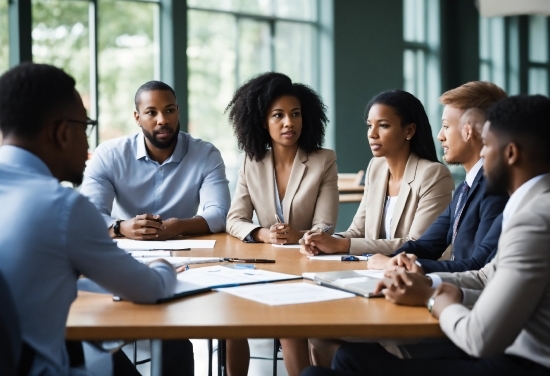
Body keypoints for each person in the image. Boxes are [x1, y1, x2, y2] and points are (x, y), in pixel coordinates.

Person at [302, 94, 550, 376]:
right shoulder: (530, 207)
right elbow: (486, 276)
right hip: (503, 348)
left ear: (511, 153)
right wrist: (429, 285)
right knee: (348, 358)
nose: (482, 153)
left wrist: (434, 300)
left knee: (320, 371)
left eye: (488, 144)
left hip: (520, 363)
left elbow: (479, 339)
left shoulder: (534, 219)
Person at [0, 63, 177, 375]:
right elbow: (151, 289)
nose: (87, 145)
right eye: (86, 127)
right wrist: (162, 263)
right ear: (61, 132)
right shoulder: (63, 208)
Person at [224, 72, 338, 376]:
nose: (289, 122)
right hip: (261, 263)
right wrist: (262, 232)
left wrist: (298, 234)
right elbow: (234, 219)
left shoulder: (323, 160)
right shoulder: (252, 161)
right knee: (234, 320)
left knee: (290, 326)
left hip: (305, 262)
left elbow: (326, 224)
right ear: (263, 122)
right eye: (279, 115)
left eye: (295, 114)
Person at [367, 81, 509, 273]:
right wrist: (393, 260)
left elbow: (479, 266)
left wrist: (409, 266)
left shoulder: (496, 189)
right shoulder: (464, 189)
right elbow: (426, 246)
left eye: (446, 126)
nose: (440, 136)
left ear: (470, 130)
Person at [300, 90, 454, 258]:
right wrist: (323, 241)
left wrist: (341, 245)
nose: (372, 134)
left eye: (383, 125)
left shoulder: (433, 175)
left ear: (409, 131)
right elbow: (358, 231)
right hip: (372, 270)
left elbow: (417, 244)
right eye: (369, 125)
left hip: (411, 276)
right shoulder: (376, 167)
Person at [80, 80, 230, 240]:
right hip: (126, 248)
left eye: (169, 110)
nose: (163, 120)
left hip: (184, 247)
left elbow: (219, 213)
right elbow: (88, 216)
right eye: (151, 112)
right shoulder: (109, 155)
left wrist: (179, 227)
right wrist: (121, 227)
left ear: (178, 112)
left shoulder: (206, 154)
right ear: (137, 118)